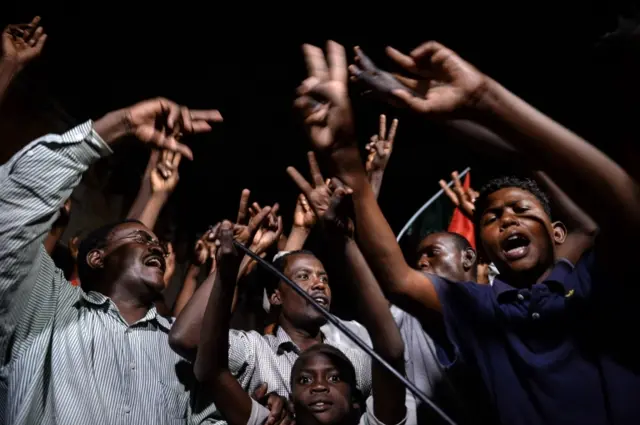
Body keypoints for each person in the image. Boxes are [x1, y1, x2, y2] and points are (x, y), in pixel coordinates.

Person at [0, 97, 223, 425]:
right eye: (141, 240)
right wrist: (120, 124)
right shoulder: (45, 307)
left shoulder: (180, 347)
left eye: (158, 243)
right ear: (95, 257)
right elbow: (12, 206)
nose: (157, 247)